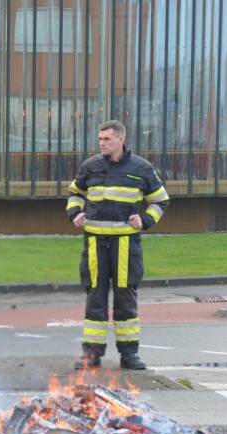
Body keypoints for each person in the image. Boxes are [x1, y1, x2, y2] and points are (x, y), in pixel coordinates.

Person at [66, 120, 169, 370]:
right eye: (100, 139)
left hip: (125, 245)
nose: (101, 143)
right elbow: (75, 193)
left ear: (120, 139)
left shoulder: (142, 168)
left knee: (125, 299)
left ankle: (129, 355)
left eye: (107, 139)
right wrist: (75, 213)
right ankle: (91, 355)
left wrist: (143, 220)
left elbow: (161, 201)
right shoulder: (90, 166)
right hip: (94, 245)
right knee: (95, 298)